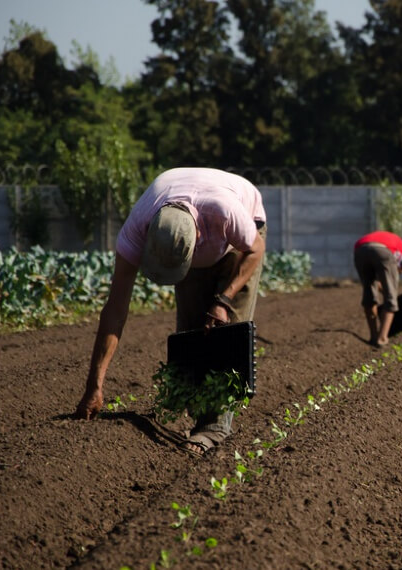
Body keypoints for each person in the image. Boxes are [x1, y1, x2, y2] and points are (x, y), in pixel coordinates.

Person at [74, 167, 268, 458]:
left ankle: (214, 427)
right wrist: (94, 386)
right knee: (191, 329)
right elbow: (115, 310)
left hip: (240, 238)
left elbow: (256, 248)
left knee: (227, 332)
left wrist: (224, 301)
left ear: (197, 238)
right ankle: (200, 409)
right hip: (193, 230)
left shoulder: (226, 213)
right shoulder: (138, 227)